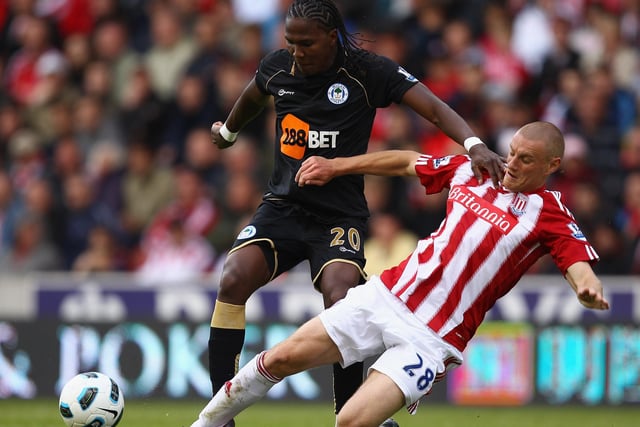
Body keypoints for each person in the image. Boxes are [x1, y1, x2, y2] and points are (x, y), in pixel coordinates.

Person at [191, 121, 609, 427]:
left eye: (526, 159)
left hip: (433, 338)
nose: (512, 163)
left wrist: (587, 288)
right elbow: (408, 162)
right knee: (280, 357)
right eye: (512, 150)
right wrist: (338, 167)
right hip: (386, 296)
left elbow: (576, 262)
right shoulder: (475, 169)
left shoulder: (550, 213)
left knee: (350, 423)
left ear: (553, 164)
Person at [207, 1, 505, 426]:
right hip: (282, 207)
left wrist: (474, 145)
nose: (296, 51)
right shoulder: (278, 68)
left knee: (341, 295)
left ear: (331, 38)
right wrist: (229, 132)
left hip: (338, 216)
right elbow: (252, 95)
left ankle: (346, 417)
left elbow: (434, 108)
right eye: (290, 42)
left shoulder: (367, 71)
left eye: (306, 43)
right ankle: (221, 416)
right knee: (233, 277)